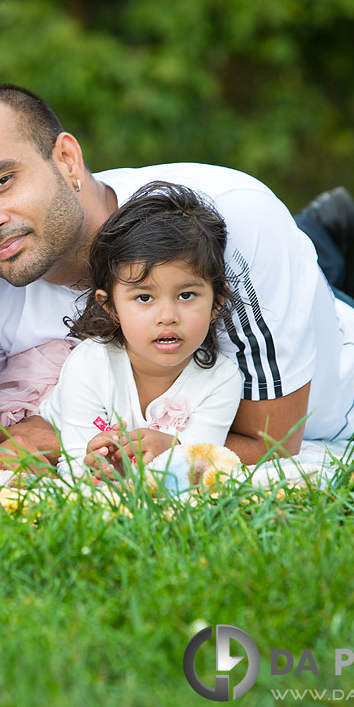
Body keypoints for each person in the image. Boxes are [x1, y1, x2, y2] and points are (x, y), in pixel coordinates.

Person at [0, 83, 354, 468]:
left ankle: (319, 244)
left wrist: (63, 438)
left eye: (2, 181)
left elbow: (271, 444)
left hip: (345, 364)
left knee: (299, 266)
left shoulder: (236, 222)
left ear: (67, 160)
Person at [39, 182, 242, 482]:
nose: (168, 317)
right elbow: (74, 464)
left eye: (186, 295)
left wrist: (170, 450)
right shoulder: (90, 366)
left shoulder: (221, 380)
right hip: (49, 426)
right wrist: (98, 467)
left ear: (217, 303)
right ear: (110, 307)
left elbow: (201, 464)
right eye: (144, 298)